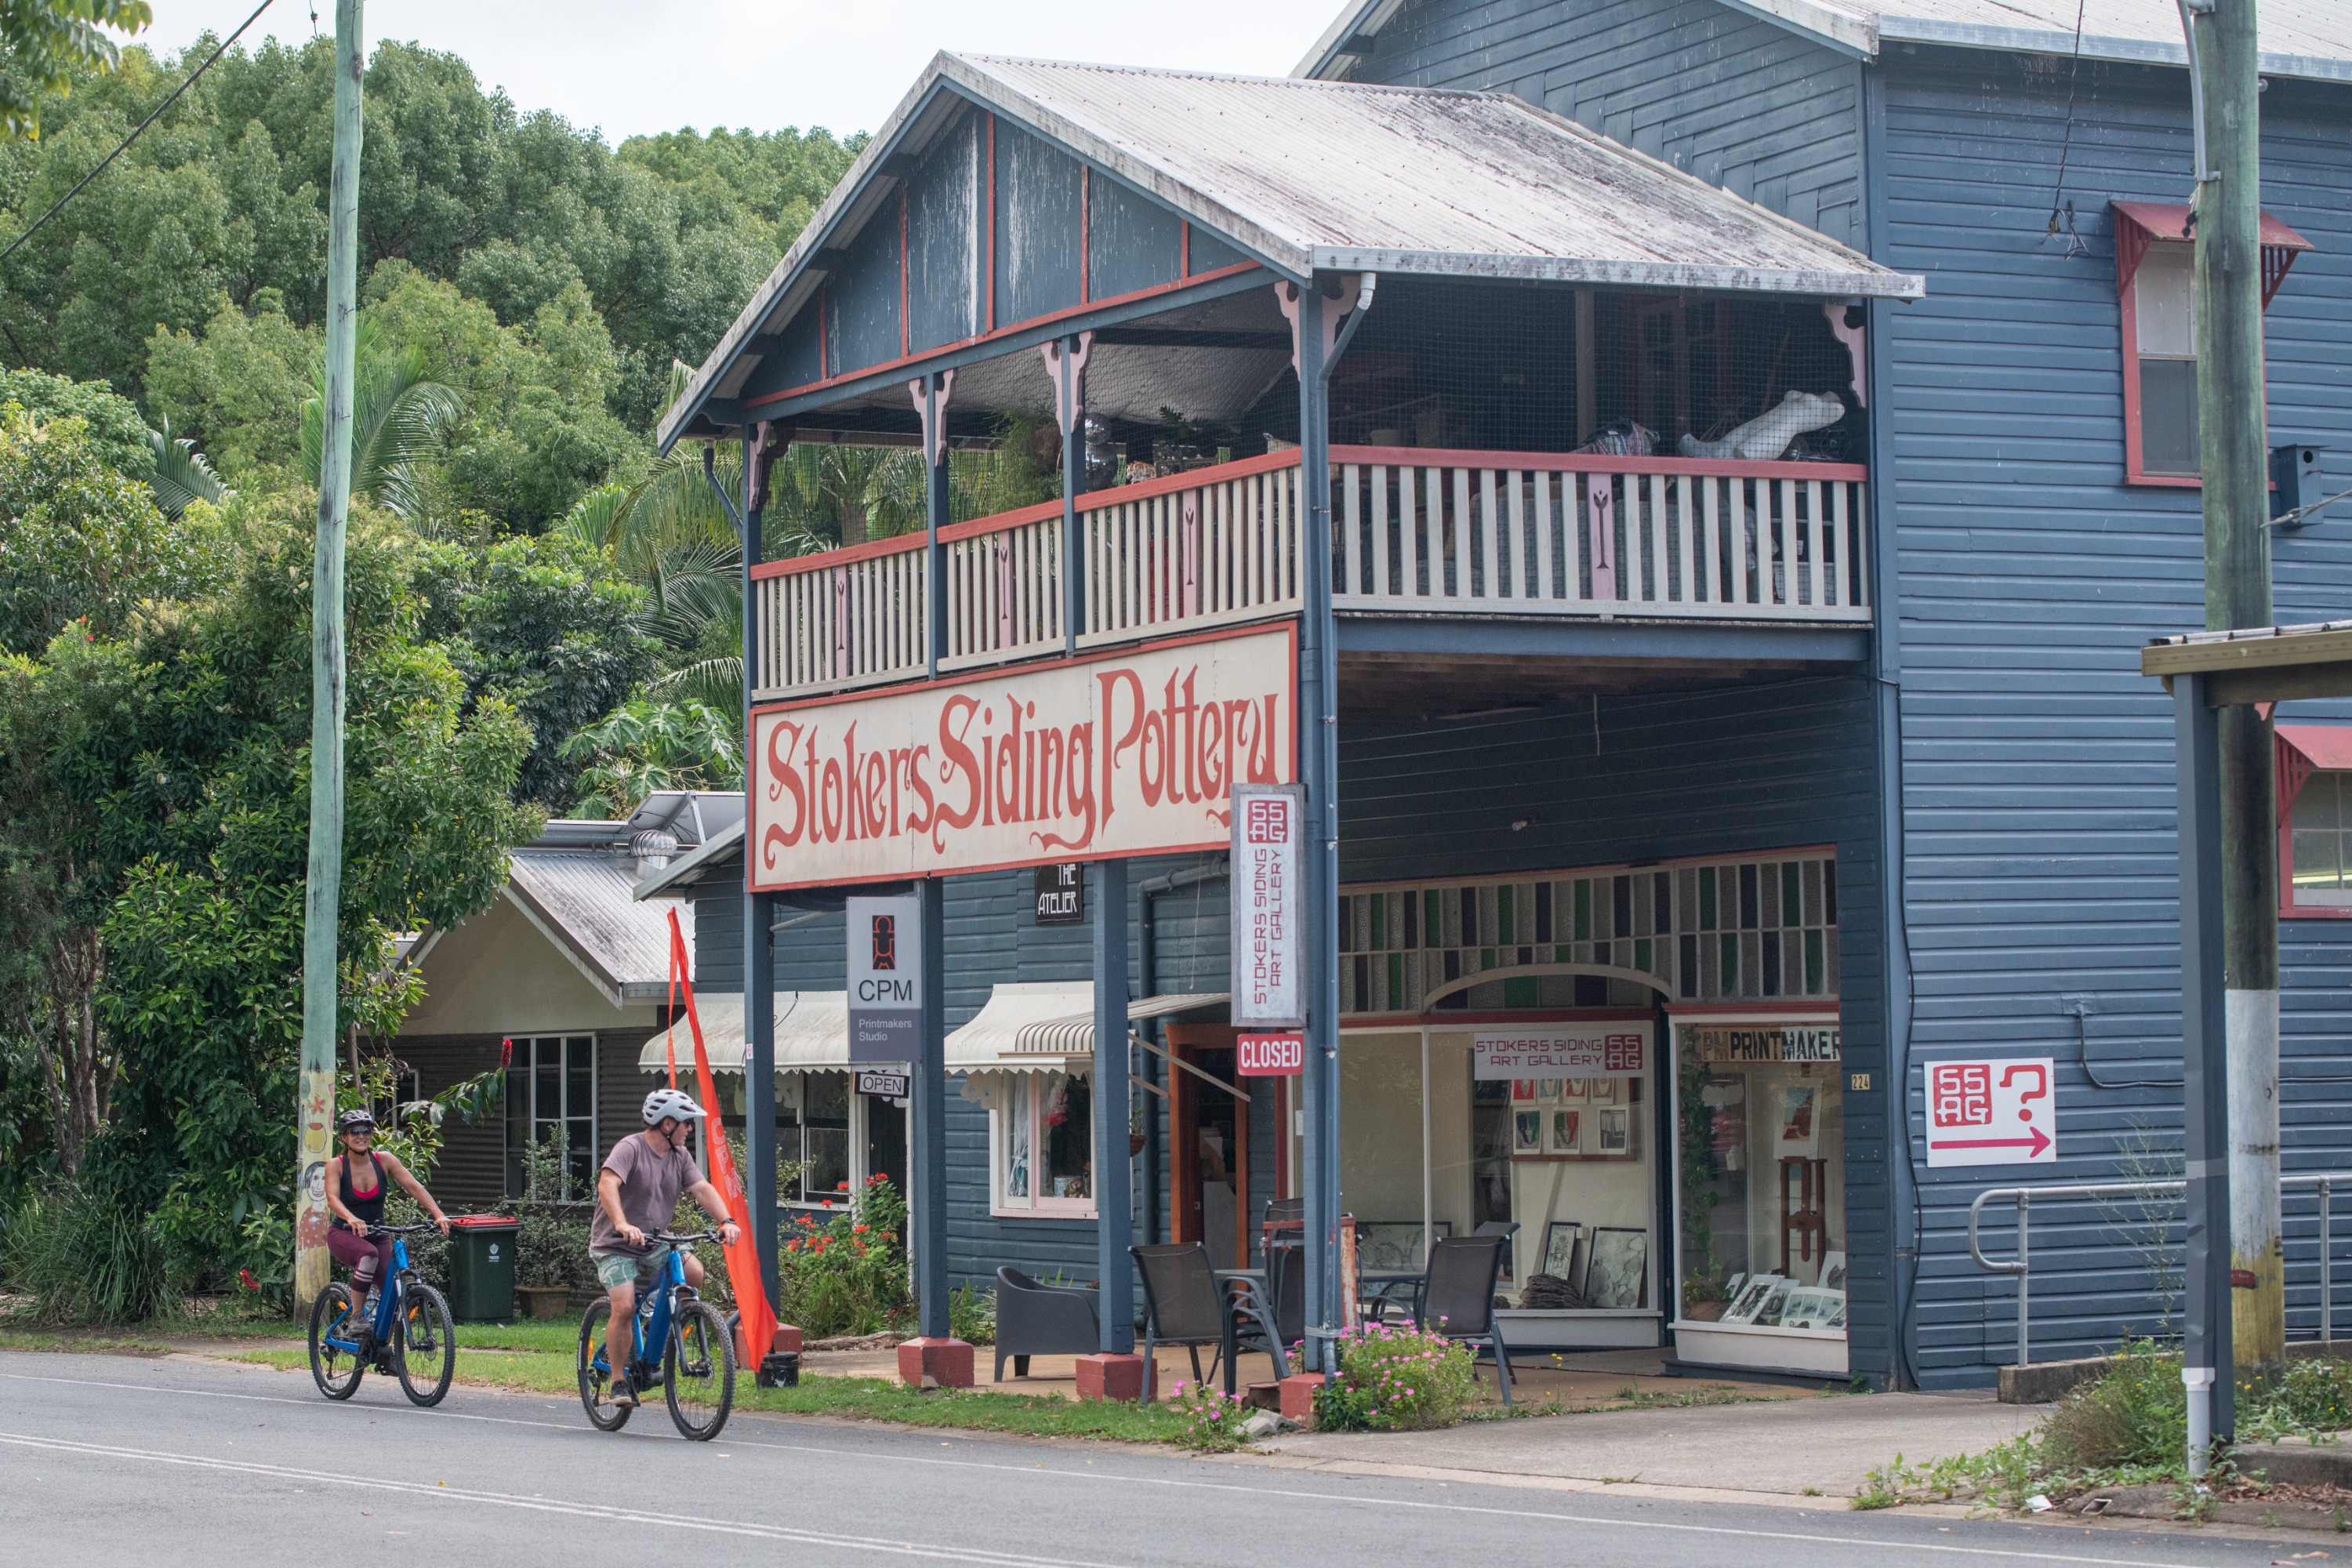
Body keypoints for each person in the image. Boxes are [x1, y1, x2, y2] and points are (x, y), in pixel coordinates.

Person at [590, 1087, 741, 1407]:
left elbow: (701, 1188)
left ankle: (657, 1331)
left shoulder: (679, 1156)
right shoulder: (630, 1148)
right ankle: (618, 1381)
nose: (690, 1129)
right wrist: (621, 1223)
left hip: (655, 1239)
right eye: (687, 1123)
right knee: (625, 1306)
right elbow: (607, 1184)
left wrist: (726, 1220)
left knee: (693, 1274)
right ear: (667, 1124)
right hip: (615, 1243)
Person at [324, 1109, 452, 1355]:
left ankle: (383, 1349)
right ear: (344, 1137)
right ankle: (357, 1316)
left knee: (394, 1292)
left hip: (378, 1232)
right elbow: (332, 1199)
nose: (361, 1135)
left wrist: (437, 1214)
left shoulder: (384, 1160)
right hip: (344, 1234)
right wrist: (351, 1218)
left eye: (366, 1130)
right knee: (368, 1255)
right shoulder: (336, 1166)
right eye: (354, 1131)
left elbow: (414, 1186)